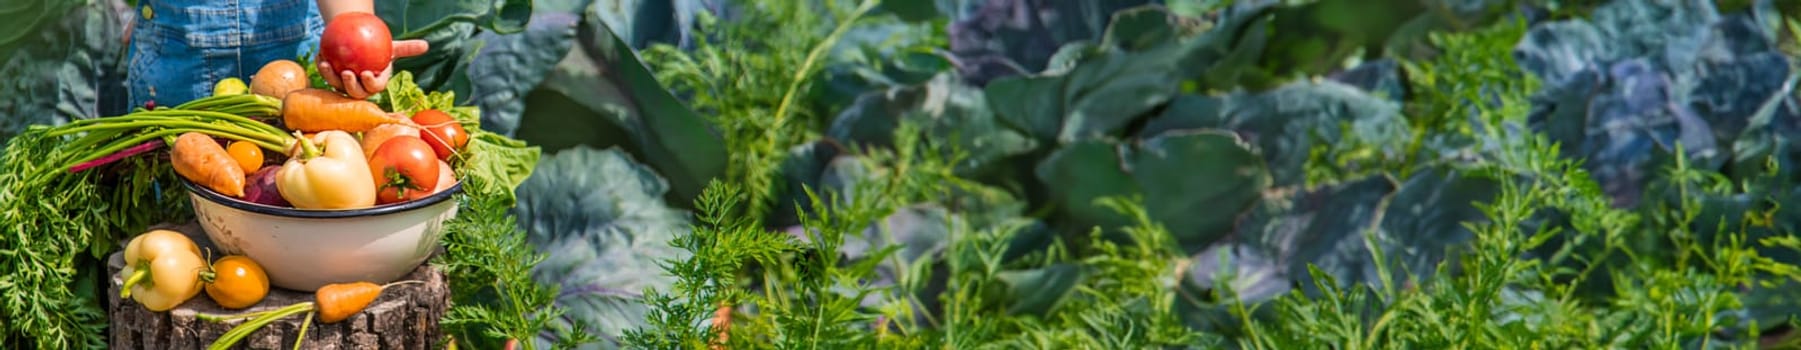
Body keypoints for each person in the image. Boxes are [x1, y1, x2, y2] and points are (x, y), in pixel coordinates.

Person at [125, 0, 429, 108]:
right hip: (177, 56)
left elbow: (352, 30)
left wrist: (357, 42)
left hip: (297, 56)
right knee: (174, 223)